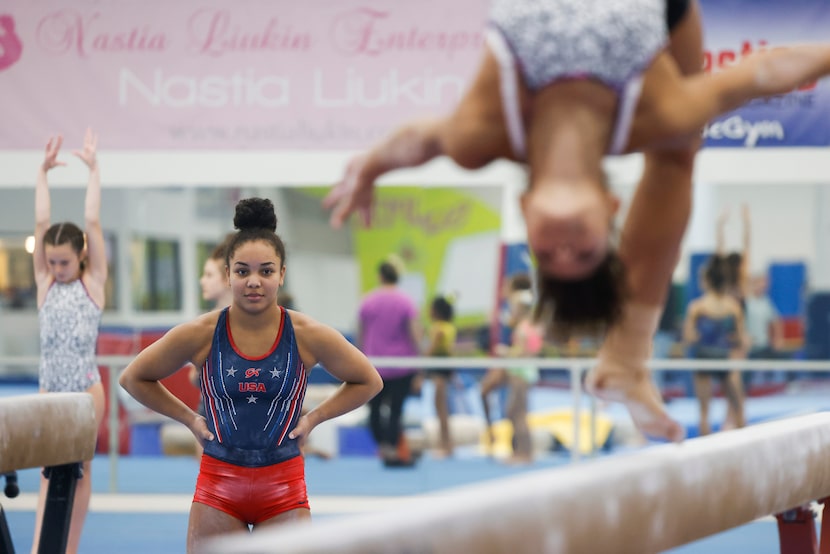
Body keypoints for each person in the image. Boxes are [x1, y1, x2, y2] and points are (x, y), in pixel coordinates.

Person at [322, 0, 830, 441]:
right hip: (662, 13)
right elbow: (766, 71)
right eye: (585, 253)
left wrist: (372, 165)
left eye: (548, 256)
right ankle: (628, 357)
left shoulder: (484, 134)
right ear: (612, 211)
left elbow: (423, 139)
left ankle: (624, 360)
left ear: (524, 213)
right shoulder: (661, 114)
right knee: (678, 152)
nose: (564, 247)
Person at [118, 198, 383, 553]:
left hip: (284, 487)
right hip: (218, 487)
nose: (254, 282)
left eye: (266, 271)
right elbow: (134, 378)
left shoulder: (306, 334)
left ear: (282, 274)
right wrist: (189, 419)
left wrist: (316, 418)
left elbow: (369, 380)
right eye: (242, 271)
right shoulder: (201, 333)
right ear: (228, 274)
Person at [31, 129, 107, 554]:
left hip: (84, 388)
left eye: (64, 261)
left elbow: (92, 221)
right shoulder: (44, 282)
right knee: (46, 472)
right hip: (49, 389)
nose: (56, 268)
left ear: (81, 256)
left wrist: (94, 170)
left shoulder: (92, 284)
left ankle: (69, 547)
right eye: (51, 261)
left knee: (81, 473)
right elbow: (42, 223)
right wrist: (42, 174)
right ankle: (44, 544)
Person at [358, 260, 421, 467]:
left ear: (380, 276)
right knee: (396, 411)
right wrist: (420, 362)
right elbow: (414, 335)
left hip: (375, 365)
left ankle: (384, 446)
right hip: (402, 365)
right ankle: (392, 448)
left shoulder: (368, 301)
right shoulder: (406, 302)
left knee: (374, 409)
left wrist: (358, 361)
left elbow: (361, 334)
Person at [481, 274, 544, 464]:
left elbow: (525, 351)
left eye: (514, 308)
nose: (511, 311)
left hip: (521, 374)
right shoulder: (526, 326)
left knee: (518, 413)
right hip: (519, 372)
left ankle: (525, 453)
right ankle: (521, 451)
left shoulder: (524, 329)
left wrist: (507, 353)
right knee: (513, 412)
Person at [682, 257, 746, 436]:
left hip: (704, 357)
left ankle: (705, 447)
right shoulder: (733, 307)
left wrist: (699, 335)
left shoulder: (697, 308)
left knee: (704, 412)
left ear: (707, 281)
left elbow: (688, 338)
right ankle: (745, 442)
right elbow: (741, 340)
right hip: (725, 357)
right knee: (738, 407)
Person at [189, 234, 235, 458]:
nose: (202, 280)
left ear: (227, 279)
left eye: (209, 275)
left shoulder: (244, 321)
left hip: (239, 411)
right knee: (209, 484)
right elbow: (194, 377)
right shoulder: (204, 323)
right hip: (208, 411)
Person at [425, 294, 457, 458]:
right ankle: (445, 443)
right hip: (443, 369)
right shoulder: (448, 326)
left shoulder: (439, 328)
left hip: (440, 370)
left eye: (430, 308)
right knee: (441, 406)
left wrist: (420, 365)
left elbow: (432, 350)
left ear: (436, 311)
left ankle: (446, 445)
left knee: (441, 407)